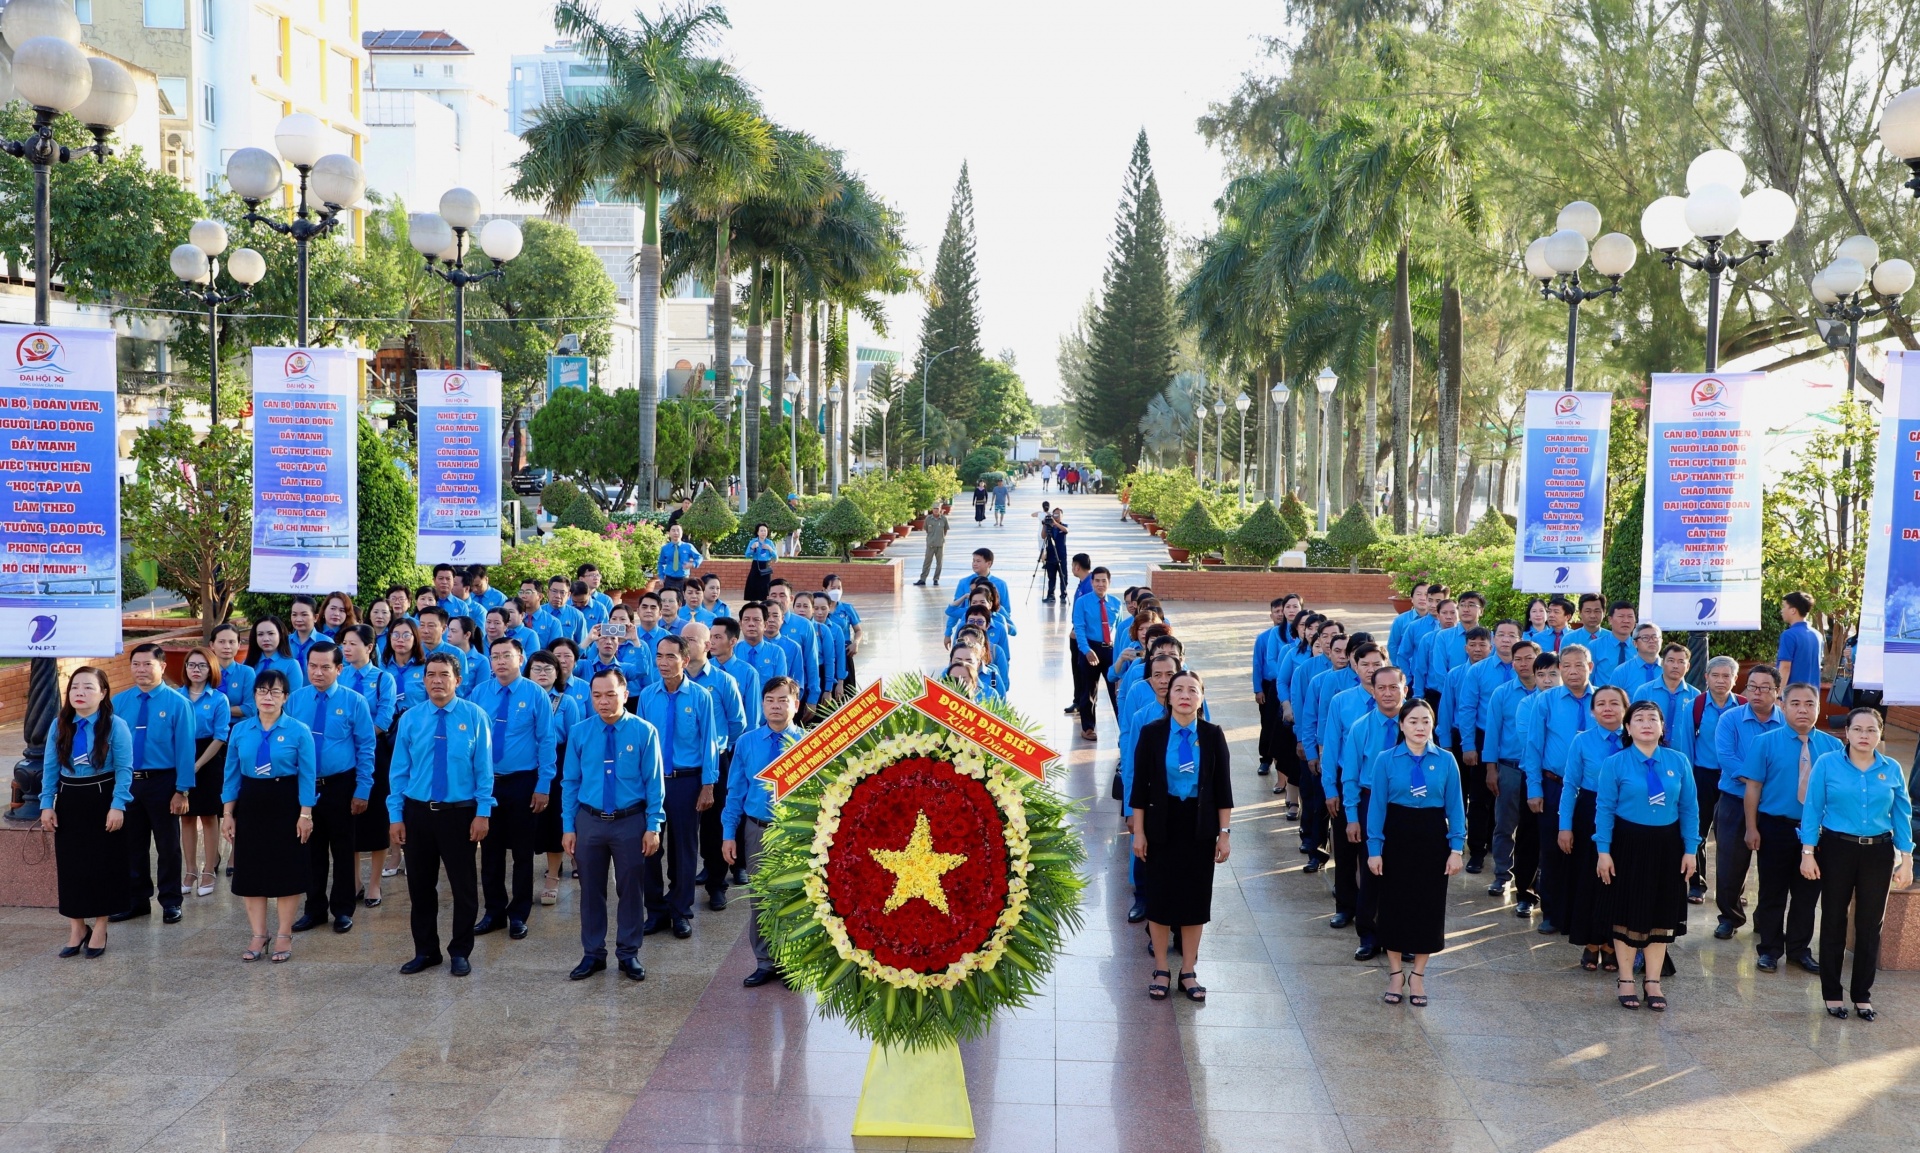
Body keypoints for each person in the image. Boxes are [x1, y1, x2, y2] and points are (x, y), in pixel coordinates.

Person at [1800, 708, 1914, 1020]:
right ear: (1846, 732)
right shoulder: (1827, 764)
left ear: (1880, 734)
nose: (1864, 736)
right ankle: (1832, 994)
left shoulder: (1891, 769)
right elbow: (1812, 808)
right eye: (1858, 729)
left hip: (1878, 852)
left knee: (1869, 925)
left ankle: (1862, 995)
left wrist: (1907, 860)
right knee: (1834, 919)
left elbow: (1901, 817)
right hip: (1837, 848)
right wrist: (1807, 852)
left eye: (1871, 730)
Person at [387, 652, 495, 977]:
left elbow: (484, 770)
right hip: (418, 814)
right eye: (431, 674)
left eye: (444, 675)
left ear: (457, 680)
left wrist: (483, 812)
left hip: (459, 815)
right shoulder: (410, 719)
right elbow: (399, 773)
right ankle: (426, 951)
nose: (437, 680)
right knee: (420, 888)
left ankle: (460, 951)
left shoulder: (475, 716)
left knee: (463, 888)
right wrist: (396, 815)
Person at [1129, 669, 1232, 1003]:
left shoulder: (1213, 735)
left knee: (1194, 898)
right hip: (1162, 821)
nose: (1185, 695)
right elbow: (1140, 788)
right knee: (1159, 898)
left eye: (1193, 690)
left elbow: (1223, 789)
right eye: (1179, 690)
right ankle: (1161, 967)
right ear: (1168, 696)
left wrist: (1224, 834)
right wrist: (1139, 832)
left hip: (1199, 825)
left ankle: (1188, 970)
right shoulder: (1152, 733)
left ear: (1201, 698)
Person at [1594, 700, 1699, 1011]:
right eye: (1638, 719)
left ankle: (1653, 980)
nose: (1646, 724)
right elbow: (1604, 810)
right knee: (1626, 912)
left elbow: (1689, 809)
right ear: (1628, 728)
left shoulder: (1678, 761)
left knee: (1661, 914)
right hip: (1627, 845)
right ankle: (1626, 979)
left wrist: (1691, 849)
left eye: (1653, 719)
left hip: (1667, 846)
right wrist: (1603, 851)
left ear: (1662, 726)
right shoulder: (1616, 763)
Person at [562, 665, 663, 981]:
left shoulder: (644, 731)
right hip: (589, 821)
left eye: (610, 694)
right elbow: (570, 782)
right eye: (596, 695)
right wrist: (568, 826)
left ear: (625, 694)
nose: (603, 701)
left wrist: (653, 825)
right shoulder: (580, 732)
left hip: (630, 822)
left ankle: (628, 954)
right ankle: (593, 954)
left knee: (630, 890)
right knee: (590, 891)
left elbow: (654, 783)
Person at [1363, 697, 1464, 1006]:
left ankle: (1418, 975)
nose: (1420, 727)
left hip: (1432, 836)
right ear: (1402, 725)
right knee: (1393, 906)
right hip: (1396, 835)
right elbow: (1377, 807)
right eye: (1413, 721)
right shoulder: (1386, 759)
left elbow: (1456, 807)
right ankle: (1395, 973)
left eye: (1425, 721)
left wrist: (1456, 847)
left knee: (1427, 908)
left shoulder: (1446, 760)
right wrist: (1374, 848)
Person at [1738, 682, 1840, 974]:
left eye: (1809, 704)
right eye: (1795, 703)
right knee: (1773, 892)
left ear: (1818, 708)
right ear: (1782, 705)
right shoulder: (1766, 742)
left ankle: (1799, 950)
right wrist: (1751, 827)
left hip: (1817, 832)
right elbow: (1753, 788)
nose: (1803, 710)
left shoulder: (1832, 747)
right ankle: (1769, 950)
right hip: (1776, 827)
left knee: (1807, 896)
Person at [221, 670, 317, 963]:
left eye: (275, 692)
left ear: (286, 697)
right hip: (251, 803)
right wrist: (227, 813)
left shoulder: (299, 730)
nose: (268, 697)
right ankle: (259, 934)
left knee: (286, 871)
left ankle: (284, 933)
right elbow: (231, 775)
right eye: (262, 691)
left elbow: (308, 776)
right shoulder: (240, 730)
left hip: (285, 803)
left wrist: (305, 814)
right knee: (251, 872)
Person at [468, 637, 557, 940]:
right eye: (495, 656)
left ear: (521, 659)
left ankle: (518, 914)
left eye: (508, 655)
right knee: (490, 851)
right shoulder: (479, 693)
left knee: (522, 852)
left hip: (523, 782)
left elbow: (546, 741)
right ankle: (493, 911)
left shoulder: (535, 694)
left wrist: (544, 785)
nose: (501, 661)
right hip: (488, 783)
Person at [41, 667, 133, 957]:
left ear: (103, 692)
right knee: (72, 868)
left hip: (102, 797)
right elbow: (50, 767)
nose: (80, 693)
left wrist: (118, 805)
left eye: (88, 687)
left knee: (101, 866)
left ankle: (101, 927)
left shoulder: (115, 725)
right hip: (69, 799)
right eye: (75, 687)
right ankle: (77, 927)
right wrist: (46, 804)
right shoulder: (60, 724)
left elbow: (124, 769)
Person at [287, 642, 375, 935]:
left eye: (326, 667)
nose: (318, 672)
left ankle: (342, 910)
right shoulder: (296, 700)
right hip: (305, 785)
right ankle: (314, 909)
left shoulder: (354, 701)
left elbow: (366, 747)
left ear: (339, 669)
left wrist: (363, 789)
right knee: (310, 850)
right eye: (313, 666)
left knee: (342, 848)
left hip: (341, 784)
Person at [109, 643, 197, 925]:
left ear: (162, 666)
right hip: (128, 782)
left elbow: (185, 749)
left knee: (167, 845)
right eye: (136, 664)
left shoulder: (178, 703)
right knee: (131, 844)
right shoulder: (120, 702)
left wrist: (181, 790)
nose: (141, 669)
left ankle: (171, 901)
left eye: (148, 664)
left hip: (163, 781)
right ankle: (137, 901)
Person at [639, 635, 720, 937]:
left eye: (670, 656)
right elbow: (643, 743)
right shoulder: (647, 695)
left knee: (685, 850)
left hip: (688, 782)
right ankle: (656, 910)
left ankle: (681, 910)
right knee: (649, 847)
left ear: (685, 661)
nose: (663, 662)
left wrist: (708, 784)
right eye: (659, 655)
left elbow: (709, 742)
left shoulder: (700, 696)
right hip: (654, 782)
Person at [1559, 685, 1631, 970]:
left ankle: (1613, 942)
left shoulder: (1635, 739)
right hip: (1589, 811)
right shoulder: (1582, 741)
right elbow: (1570, 785)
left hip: (1626, 814)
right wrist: (1565, 826)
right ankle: (1591, 942)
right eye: (1601, 704)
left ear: (1626, 709)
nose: (1608, 709)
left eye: (1615, 703)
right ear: (1592, 710)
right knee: (1589, 879)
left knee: (1618, 879)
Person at [1527, 644, 1596, 936]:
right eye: (1566, 666)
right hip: (1553, 785)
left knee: (1587, 851)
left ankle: (1584, 914)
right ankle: (1553, 913)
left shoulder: (1605, 699)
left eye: (1578, 665)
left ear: (1590, 667)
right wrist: (1534, 788)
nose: (1572, 671)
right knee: (1554, 851)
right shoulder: (1546, 701)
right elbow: (1533, 746)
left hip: (1593, 790)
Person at [1711, 664, 1783, 940]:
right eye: (1752, 686)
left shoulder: (1786, 722)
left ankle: (1766, 921)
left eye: (1765, 688)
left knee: (1773, 867)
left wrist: (1767, 787)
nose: (1757, 692)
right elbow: (1727, 759)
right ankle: (1729, 917)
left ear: (1777, 692)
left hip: (1773, 805)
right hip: (1734, 801)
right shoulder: (1730, 719)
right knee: (1730, 864)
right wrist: (1757, 783)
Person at [680, 620, 747, 910]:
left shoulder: (722, 681)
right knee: (683, 828)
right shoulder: (673, 678)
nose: (685, 644)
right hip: (680, 763)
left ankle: (717, 884)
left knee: (715, 824)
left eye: (692, 640)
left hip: (715, 760)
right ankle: (683, 886)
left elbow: (737, 723)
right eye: (682, 639)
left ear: (708, 646)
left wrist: (717, 746)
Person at [338, 625, 398, 908]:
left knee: (375, 820)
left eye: (352, 644)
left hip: (374, 753)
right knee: (348, 819)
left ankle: (374, 883)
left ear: (370, 647)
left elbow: (385, 718)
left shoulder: (383, 678)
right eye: (344, 644)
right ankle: (353, 881)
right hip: (343, 756)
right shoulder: (340, 676)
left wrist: (358, 735)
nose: (346, 649)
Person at [1484, 641, 1543, 915]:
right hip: (1510, 768)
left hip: (1543, 772)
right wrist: (1491, 768)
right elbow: (1492, 733)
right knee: (1505, 823)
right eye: (1517, 659)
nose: (1523, 663)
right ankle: (1501, 874)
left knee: (1538, 829)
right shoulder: (1502, 693)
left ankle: (1537, 879)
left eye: (1528, 658)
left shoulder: (1552, 693)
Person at [1683, 655, 1743, 905]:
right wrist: (1687, 781)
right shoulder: (1695, 706)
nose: (1721, 681)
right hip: (1702, 776)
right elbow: (1687, 746)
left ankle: (1732, 891)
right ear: (1706, 677)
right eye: (1715, 675)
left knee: (1733, 837)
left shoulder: (1744, 706)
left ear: (1735, 679)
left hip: (1735, 778)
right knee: (1697, 831)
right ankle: (1697, 884)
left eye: (1726, 676)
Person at [527, 652, 584, 905]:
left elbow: (574, 742)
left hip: (559, 764)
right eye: (536, 668)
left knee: (553, 824)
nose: (542, 673)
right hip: (526, 764)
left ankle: (552, 877)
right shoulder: (522, 697)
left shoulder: (566, 702)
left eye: (548, 669)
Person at [179, 646, 230, 899]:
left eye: (201, 665)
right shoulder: (175, 696)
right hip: (180, 756)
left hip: (209, 758)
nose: (196, 670)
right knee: (186, 817)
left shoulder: (219, 699)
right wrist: (184, 764)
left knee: (209, 816)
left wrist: (197, 765)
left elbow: (221, 736)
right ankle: (190, 871)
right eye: (191, 665)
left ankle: (209, 869)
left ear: (211, 669)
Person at [1072, 567, 1122, 741]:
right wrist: (1086, 650)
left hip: (1110, 650)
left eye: (1104, 581)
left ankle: (1123, 728)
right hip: (1089, 648)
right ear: (1092, 582)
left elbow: (1120, 630)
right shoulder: (1082, 602)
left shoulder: (1116, 603)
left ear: (1109, 582)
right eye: (1097, 581)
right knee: (1088, 690)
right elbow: (1079, 628)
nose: (1100, 584)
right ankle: (1088, 728)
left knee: (1116, 691)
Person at [246, 616, 306, 693]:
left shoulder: (292, 665)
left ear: (280, 635)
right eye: (260, 634)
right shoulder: (247, 663)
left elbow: (294, 699)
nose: (266, 639)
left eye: (271, 633)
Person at [211, 624, 255, 723]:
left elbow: (250, 709)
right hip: (208, 727)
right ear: (212, 645)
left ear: (239, 645)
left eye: (232, 642)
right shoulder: (206, 671)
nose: (227, 646)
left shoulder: (247, 673)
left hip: (238, 727)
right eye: (221, 642)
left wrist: (215, 709)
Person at [1777, 591, 1822, 686]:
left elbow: (1785, 667)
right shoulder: (1818, 635)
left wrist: (1778, 695)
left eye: (1784, 606)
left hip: (1792, 696)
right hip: (1812, 695)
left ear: (1793, 610)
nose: (1782, 610)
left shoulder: (1789, 635)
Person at [657, 522, 703, 597]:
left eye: (678, 530)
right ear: (669, 533)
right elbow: (661, 563)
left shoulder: (688, 546)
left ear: (682, 533)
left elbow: (699, 557)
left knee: (683, 601)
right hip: (669, 579)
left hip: (683, 580)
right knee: (669, 600)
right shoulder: (665, 548)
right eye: (673, 530)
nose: (676, 533)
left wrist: (693, 564)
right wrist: (661, 577)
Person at [1040, 508, 1069, 602]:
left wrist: (1055, 524)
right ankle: (1050, 595)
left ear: (1062, 516)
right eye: (1054, 515)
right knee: (1051, 577)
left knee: (1063, 576)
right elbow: (1043, 536)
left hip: (1061, 555)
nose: (1056, 517)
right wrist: (1045, 524)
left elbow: (1066, 530)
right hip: (1051, 555)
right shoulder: (1049, 527)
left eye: (1058, 515)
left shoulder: (1063, 525)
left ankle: (1063, 595)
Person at [744, 523, 778, 601]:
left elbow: (776, 557)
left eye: (765, 531)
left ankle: (765, 604)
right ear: (758, 532)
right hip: (756, 565)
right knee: (754, 585)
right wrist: (752, 547)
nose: (763, 532)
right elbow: (747, 555)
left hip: (766, 566)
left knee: (765, 586)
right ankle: (753, 603)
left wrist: (770, 549)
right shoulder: (753, 542)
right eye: (761, 531)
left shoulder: (770, 543)